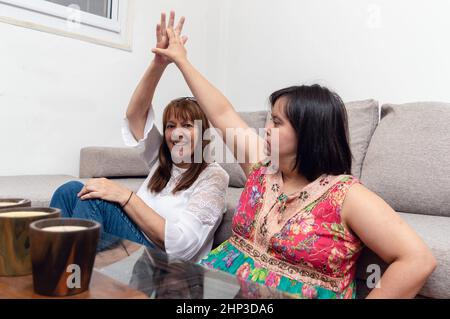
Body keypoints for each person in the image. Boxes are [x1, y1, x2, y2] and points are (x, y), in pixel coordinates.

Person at [150, 12, 437, 298]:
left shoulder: (346, 196)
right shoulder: (262, 169)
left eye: (276, 121)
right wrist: (181, 61)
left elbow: (417, 260)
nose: (266, 128)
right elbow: (222, 112)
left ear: (307, 133)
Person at [50, 12, 229, 262]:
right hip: (133, 238)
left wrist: (125, 196)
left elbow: (180, 246)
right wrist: (158, 63)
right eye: (170, 125)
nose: (176, 133)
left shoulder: (214, 176)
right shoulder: (162, 159)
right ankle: (52, 266)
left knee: (97, 201)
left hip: (161, 259)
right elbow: (135, 116)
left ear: (203, 133)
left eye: (187, 125)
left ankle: (75, 277)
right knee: (70, 190)